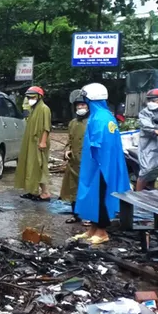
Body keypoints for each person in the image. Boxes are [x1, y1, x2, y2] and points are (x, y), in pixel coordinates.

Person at [75, 83, 131, 245]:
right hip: (94, 164)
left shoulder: (102, 118)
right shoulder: (98, 116)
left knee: (100, 196)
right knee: (91, 196)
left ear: (91, 99)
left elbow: (100, 144)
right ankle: (92, 228)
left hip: (101, 165)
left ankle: (102, 231)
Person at [15, 86, 52, 201]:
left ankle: (45, 193)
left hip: (39, 142)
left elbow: (46, 127)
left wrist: (43, 142)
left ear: (39, 97)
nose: (30, 99)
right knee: (30, 166)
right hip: (31, 142)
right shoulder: (33, 109)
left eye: (33, 97)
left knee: (39, 167)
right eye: (29, 97)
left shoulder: (44, 109)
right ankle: (33, 190)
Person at [60, 90, 88, 223]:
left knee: (87, 190)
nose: (80, 108)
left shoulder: (92, 122)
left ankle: (88, 216)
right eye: (78, 105)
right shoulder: (72, 123)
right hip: (74, 163)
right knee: (73, 190)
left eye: (83, 105)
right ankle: (75, 214)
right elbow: (69, 141)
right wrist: (67, 151)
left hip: (88, 162)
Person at [137, 89, 158, 191]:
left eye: (155, 100)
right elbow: (146, 125)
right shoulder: (145, 113)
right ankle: (137, 198)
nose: (152, 103)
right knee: (145, 171)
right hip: (149, 146)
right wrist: (156, 131)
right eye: (150, 100)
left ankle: (155, 196)